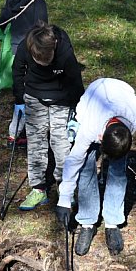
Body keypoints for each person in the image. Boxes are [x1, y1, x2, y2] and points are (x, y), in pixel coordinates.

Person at [54, 78, 136, 256]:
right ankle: (87, 222)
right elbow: (73, 161)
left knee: (118, 172)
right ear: (101, 138)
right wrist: (64, 200)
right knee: (86, 168)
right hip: (94, 98)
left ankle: (112, 223)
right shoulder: (89, 128)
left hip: (121, 93)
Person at [12, 22, 84, 210]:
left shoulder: (65, 51)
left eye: (47, 59)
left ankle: (65, 186)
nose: (43, 62)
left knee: (61, 143)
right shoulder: (25, 47)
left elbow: (75, 80)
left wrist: (77, 107)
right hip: (34, 96)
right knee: (36, 142)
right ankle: (38, 188)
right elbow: (17, 72)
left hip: (60, 98)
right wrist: (19, 99)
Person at [0, 0, 49, 146]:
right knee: (29, 94)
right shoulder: (38, 2)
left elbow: (2, 21)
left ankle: (22, 131)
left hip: (15, 49)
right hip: (32, 52)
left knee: (21, 89)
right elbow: (43, 31)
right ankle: (16, 133)